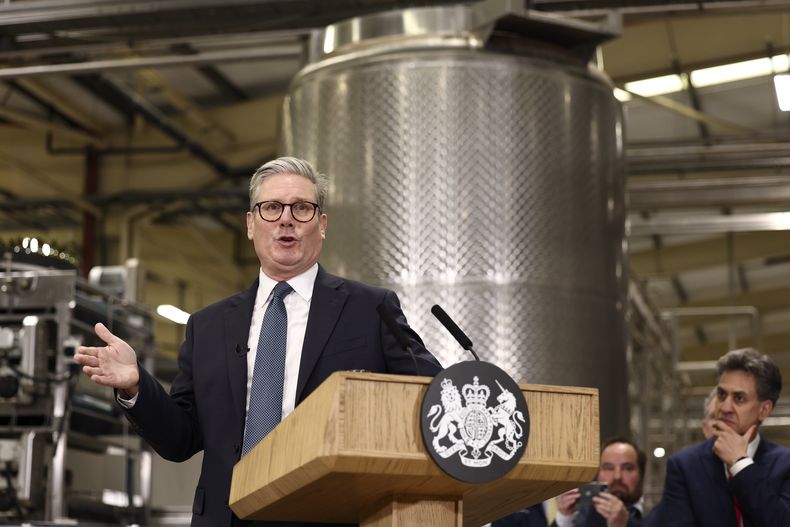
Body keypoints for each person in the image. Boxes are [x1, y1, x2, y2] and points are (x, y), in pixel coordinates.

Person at [74, 156, 443, 527]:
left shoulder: (370, 308)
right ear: (251, 224)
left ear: (322, 224)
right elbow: (180, 439)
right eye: (271, 208)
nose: (286, 219)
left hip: (329, 514)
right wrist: (137, 385)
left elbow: (432, 398)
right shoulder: (208, 325)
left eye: (302, 208)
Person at [654, 348, 790, 527]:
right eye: (722, 394)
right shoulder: (684, 466)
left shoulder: (785, 464)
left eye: (739, 398)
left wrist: (740, 464)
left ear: (764, 410)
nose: (725, 407)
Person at [551, 437, 645, 527]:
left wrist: (625, 524)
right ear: (598, 474)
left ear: (641, 473)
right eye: (609, 468)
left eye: (627, 468)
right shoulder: (582, 518)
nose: (617, 476)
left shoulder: (655, 516)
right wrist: (564, 519)